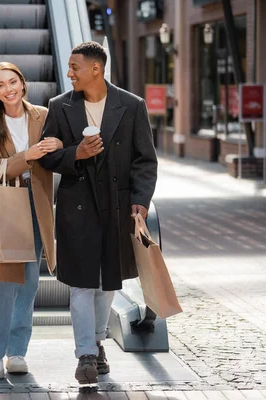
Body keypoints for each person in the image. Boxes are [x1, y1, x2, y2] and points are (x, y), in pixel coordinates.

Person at [38, 41, 158, 384]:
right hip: (77, 207)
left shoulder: (131, 106)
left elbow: (144, 159)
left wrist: (141, 199)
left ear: (96, 69)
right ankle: (86, 355)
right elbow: (47, 157)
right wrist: (77, 153)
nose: (68, 73)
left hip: (118, 207)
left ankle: (98, 339)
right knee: (79, 285)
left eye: (75, 67)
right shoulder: (59, 106)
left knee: (107, 284)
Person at [0, 62, 61, 379]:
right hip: (6, 206)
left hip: (36, 204)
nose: (9, 89)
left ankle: (18, 352)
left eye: (13, 82)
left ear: (23, 84)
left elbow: (57, 153)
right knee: (6, 283)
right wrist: (28, 155)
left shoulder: (43, 115)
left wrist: (56, 146)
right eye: (1, 85)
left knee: (31, 283)